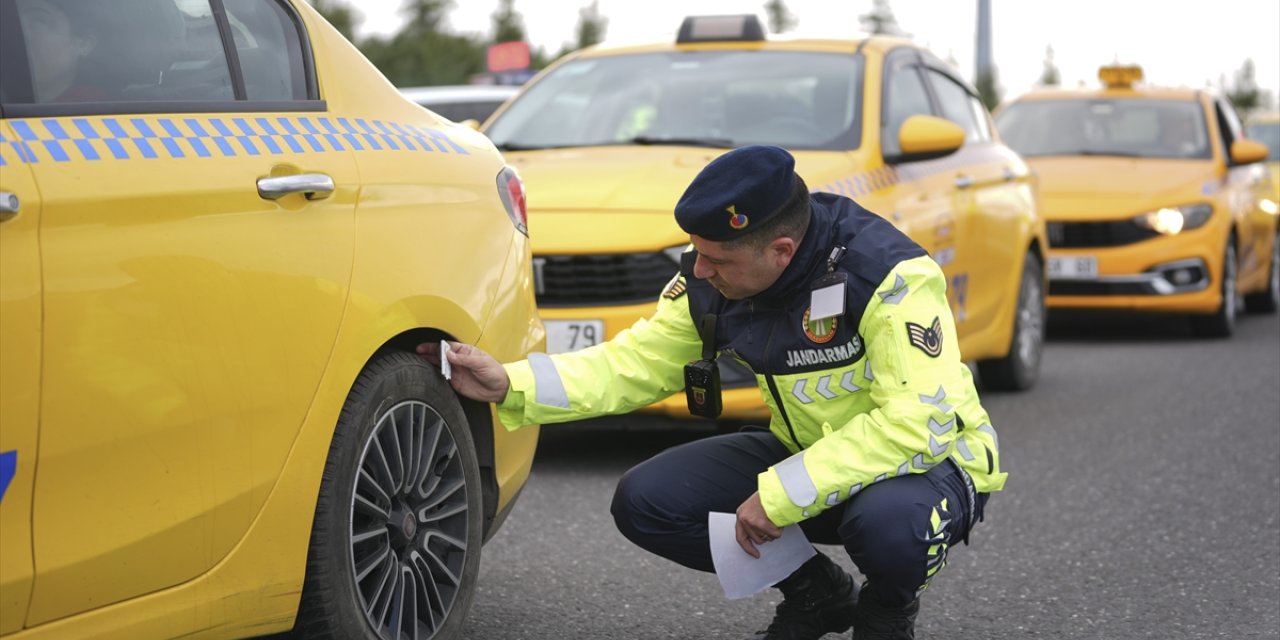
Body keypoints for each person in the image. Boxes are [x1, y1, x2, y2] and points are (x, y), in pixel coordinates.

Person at [419, 145, 1006, 640]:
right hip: (811, 455)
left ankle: (887, 607)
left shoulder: (890, 276)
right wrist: (511, 381)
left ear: (780, 251)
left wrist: (780, 495)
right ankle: (817, 592)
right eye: (697, 252)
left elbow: (913, 425)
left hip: (931, 464)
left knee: (887, 528)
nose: (699, 271)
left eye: (715, 258)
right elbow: (637, 362)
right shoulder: (717, 276)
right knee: (647, 500)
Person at [16, 0, 109, 103]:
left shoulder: (97, 110)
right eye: (14, 23)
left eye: (38, 22)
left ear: (85, 43)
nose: (20, 32)